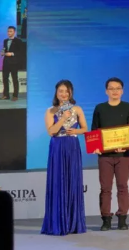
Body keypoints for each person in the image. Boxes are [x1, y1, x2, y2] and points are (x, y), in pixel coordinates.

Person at [41, 80, 87, 235]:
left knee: (73, 180)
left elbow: (85, 128)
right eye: (61, 91)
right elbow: (51, 132)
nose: (64, 94)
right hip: (58, 146)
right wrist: (62, 118)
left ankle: (73, 222)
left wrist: (76, 131)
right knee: (58, 181)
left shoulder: (77, 109)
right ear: (56, 93)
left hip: (72, 146)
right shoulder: (50, 111)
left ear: (71, 92)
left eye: (67, 91)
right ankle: (58, 223)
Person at [91, 77, 129, 231]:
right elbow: (95, 130)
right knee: (105, 188)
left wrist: (127, 146)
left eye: (118, 88)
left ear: (122, 91)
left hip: (123, 155)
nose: (115, 91)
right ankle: (106, 219)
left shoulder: (128, 107)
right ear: (106, 91)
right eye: (111, 88)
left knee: (123, 186)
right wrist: (96, 146)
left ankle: (122, 219)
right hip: (105, 156)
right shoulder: (100, 108)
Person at [1, 26, 23, 101]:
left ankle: (15, 95)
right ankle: (6, 95)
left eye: (10, 31)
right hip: (6, 62)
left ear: (14, 32)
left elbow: (21, 52)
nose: (9, 33)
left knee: (14, 79)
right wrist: (3, 52)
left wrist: (12, 54)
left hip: (14, 63)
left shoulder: (18, 41)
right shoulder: (5, 41)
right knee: (5, 78)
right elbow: (5, 49)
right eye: (8, 31)